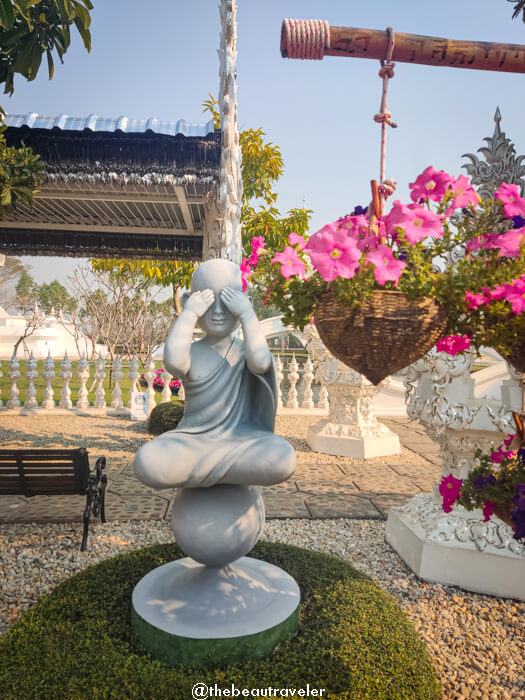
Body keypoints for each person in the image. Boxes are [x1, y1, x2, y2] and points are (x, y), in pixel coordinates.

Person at [133, 258, 296, 489]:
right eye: (208, 301)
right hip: (193, 440)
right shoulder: (193, 352)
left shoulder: (245, 351)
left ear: (243, 303)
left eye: (228, 301)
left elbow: (260, 362)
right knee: (146, 461)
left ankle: (203, 471)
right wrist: (189, 314)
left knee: (282, 457)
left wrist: (248, 315)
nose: (218, 311)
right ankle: (225, 471)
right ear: (191, 301)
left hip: (241, 440)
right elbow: (174, 363)